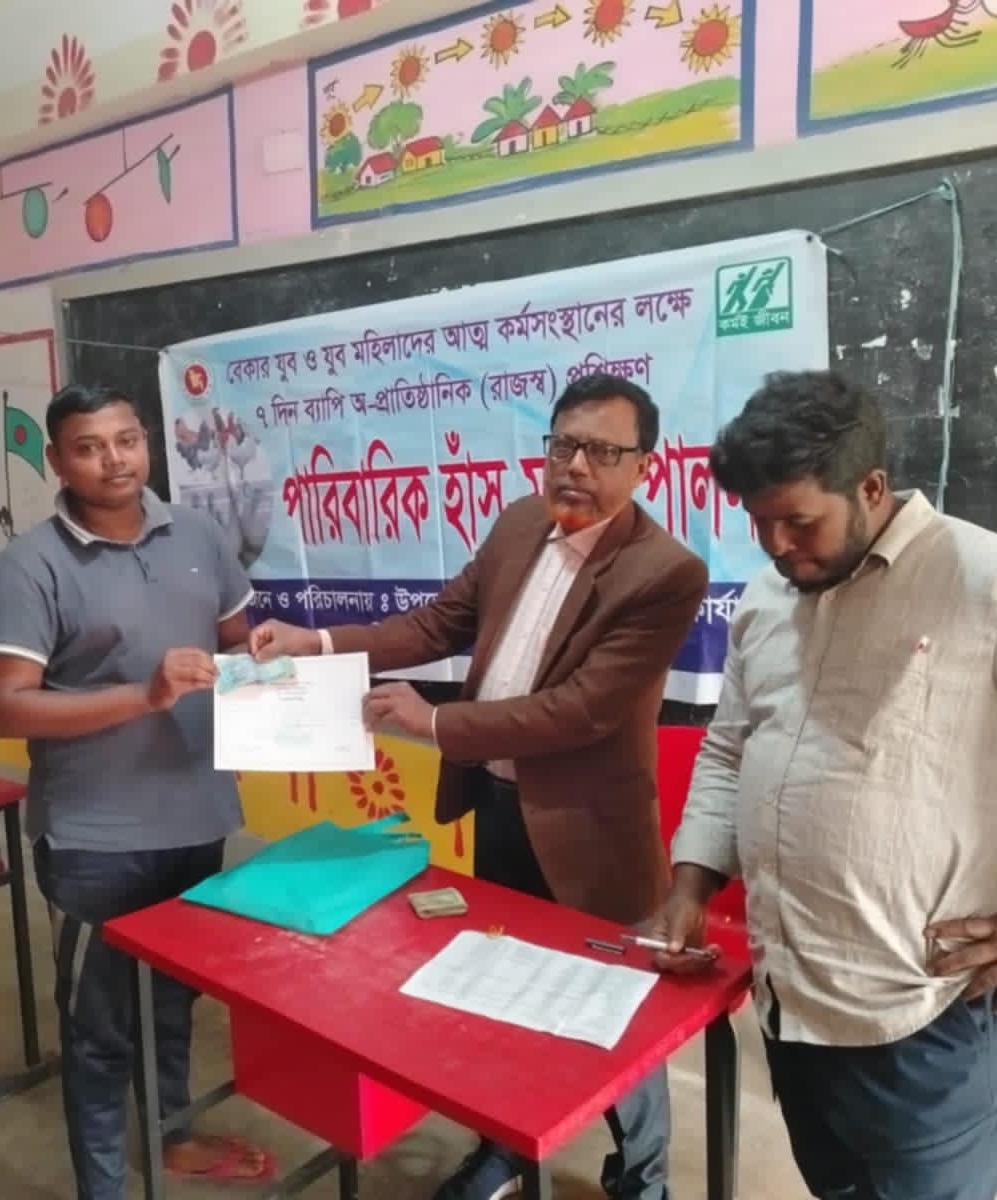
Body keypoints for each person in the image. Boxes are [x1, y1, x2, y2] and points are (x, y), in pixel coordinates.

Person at [656, 371, 997, 1200]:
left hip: (923, 1024)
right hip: (792, 1001)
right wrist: (691, 881)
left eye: (798, 521)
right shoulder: (769, 600)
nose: (775, 545)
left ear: (871, 488)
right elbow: (729, 749)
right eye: (757, 520)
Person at [251, 373, 709, 1200]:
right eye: (564, 445)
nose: (576, 466)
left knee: (614, 1014)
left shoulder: (664, 572)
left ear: (646, 464)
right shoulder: (520, 523)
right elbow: (437, 624)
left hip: (590, 834)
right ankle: (503, 1153)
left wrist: (432, 724)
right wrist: (315, 643)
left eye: (602, 452)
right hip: (498, 811)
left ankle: (642, 1180)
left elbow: (581, 711)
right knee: (504, 994)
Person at [0, 382, 275, 1200]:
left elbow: (236, 644)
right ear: (57, 461)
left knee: (172, 998)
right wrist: (145, 695)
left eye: (127, 439)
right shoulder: (29, 565)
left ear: (148, 442)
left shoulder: (199, 534)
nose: (114, 460)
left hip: (198, 817)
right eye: (89, 446)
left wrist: (273, 679)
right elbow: (6, 708)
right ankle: (102, 1188)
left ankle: (173, 1134)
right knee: (100, 1031)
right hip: (95, 840)